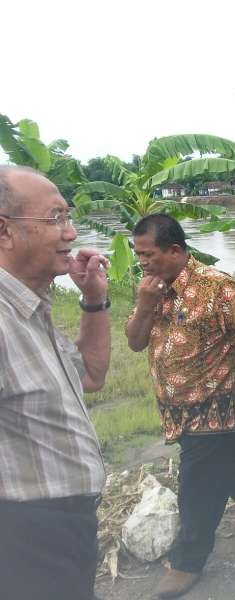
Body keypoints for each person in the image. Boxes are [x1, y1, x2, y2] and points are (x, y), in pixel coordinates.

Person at [125, 214, 235, 599]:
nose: (143, 262)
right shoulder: (151, 290)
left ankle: (189, 561)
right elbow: (135, 342)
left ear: (175, 250)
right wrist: (143, 305)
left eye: (148, 254)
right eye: (137, 255)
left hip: (216, 405)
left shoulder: (218, 287)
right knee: (214, 466)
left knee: (196, 485)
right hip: (176, 407)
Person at [0, 166, 110, 600]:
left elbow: (90, 376)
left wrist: (95, 299)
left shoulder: (31, 306)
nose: (71, 232)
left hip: (64, 529)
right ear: (5, 232)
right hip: (25, 538)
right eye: (56, 218)